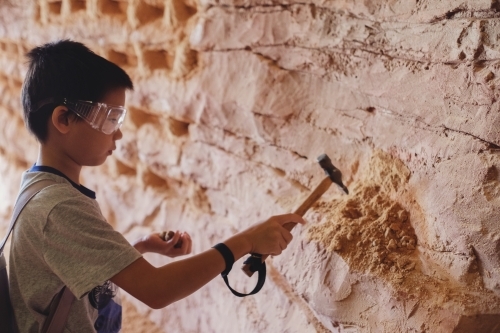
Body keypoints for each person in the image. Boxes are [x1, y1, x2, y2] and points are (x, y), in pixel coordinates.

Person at [9, 39, 305, 332]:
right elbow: (157, 290)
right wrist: (247, 241)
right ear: (64, 119)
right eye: (111, 118)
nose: (118, 134)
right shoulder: (59, 207)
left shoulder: (40, 185)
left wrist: (139, 247)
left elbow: (74, 259)